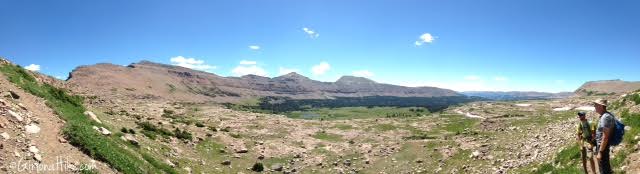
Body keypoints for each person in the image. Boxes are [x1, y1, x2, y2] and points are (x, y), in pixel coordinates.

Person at [594, 99, 615, 174]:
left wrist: (600, 152)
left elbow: (605, 137)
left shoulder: (605, 117)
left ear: (601, 106)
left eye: (596, 105)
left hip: (603, 147)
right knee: (605, 166)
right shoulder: (606, 115)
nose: (594, 107)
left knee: (603, 168)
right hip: (603, 146)